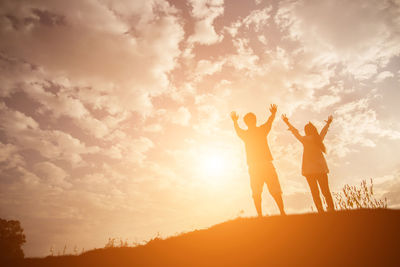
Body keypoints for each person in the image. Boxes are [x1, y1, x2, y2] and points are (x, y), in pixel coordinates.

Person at [231, 104, 286, 217]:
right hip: (264, 164)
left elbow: (238, 130)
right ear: (254, 121)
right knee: (273, 189)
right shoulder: (261, 130)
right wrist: (273, 114)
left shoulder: (246, 134)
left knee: (257, 191)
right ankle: (281, 212)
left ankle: (261, 215)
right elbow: (269, 122)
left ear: (246, 122)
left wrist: (235, 121)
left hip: (256, 166)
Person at [281, 114, 335, 212]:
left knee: (315, 192)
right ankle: (331, 208)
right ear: (314, 130)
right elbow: (323, 132)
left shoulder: (304, 140)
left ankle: (320, 210)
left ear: (306, 131)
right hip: (320, 169)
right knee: (326, 191)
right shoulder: (318, 139)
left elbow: (295, 132)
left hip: (309, 171)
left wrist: (287, 122)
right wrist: (328, 124)